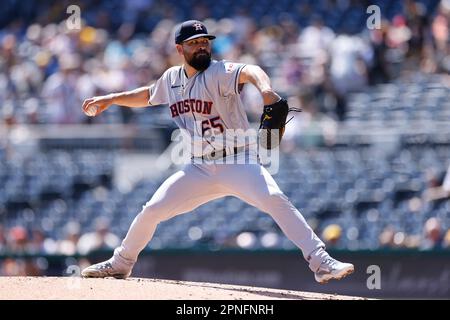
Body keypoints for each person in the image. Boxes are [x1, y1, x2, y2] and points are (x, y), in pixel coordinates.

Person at [80, 20, 354, 284]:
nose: (201, 46)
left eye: (205, 42)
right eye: (194, 43)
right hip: (198, 168)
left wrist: (266, 90)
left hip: (238, 161)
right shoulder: (171, 79)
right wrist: (112, 99)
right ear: (179, 49)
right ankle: (121, 263)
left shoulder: (219, 71)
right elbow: (149, 94)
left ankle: (320, 262)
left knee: (274, 199)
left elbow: (251, 70)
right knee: (152, 210)